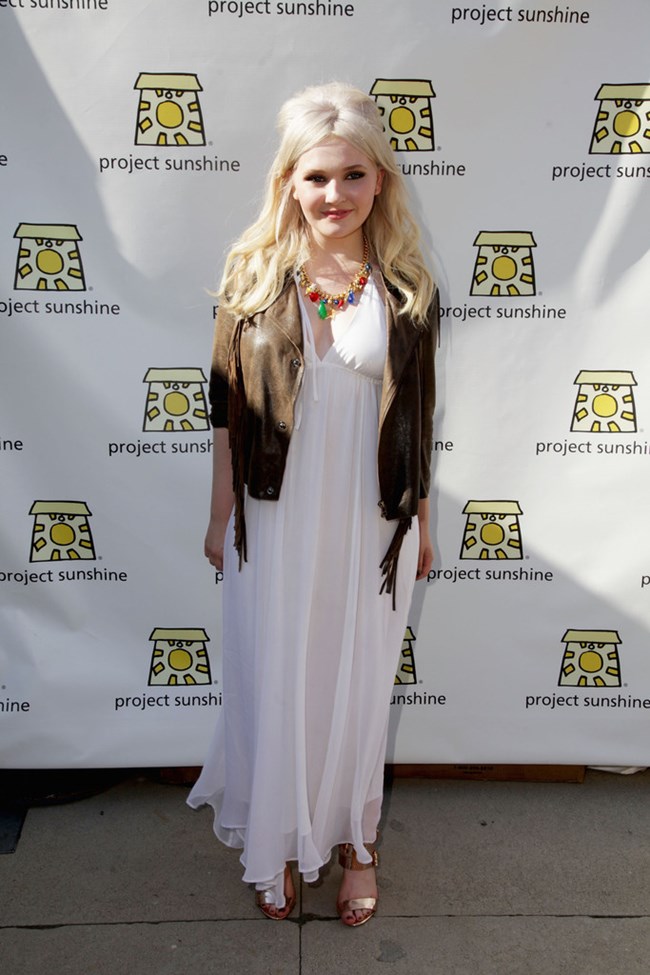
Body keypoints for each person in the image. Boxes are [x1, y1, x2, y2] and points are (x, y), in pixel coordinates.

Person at [188, 81, 438, 927]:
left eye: (354, 175)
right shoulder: (252, 278)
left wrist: (421, 522)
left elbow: (418, 417)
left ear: (380, 181)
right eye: (317, 176)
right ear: (289, 182)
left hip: (369, 517)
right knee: (276, 674)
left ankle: (357, 843)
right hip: (275, 509)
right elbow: (225, 414)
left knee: (359, 681)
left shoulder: (407, 287)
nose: (336, 194)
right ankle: (277, 838)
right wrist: (219, 516)